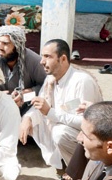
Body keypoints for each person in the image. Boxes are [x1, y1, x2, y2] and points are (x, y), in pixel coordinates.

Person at [19, 39, 102, 168]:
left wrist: (50, 112)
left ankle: (79, 172)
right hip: (65, 127)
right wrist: (27, 118)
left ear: (63, 59)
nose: (42, 61)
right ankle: (64, 162)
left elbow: (87, 123)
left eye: (47, 57)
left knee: (60, 133)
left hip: (89, 136)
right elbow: (40, 103)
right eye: (42, 56)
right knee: (32, 120)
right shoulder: (50, 79)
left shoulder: (82, 81)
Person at [0, 25, 46, 114]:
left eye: (5, 43)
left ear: (17, 45)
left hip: (26, 110)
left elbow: (46, 89)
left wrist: (26, 95)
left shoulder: (34, 61)